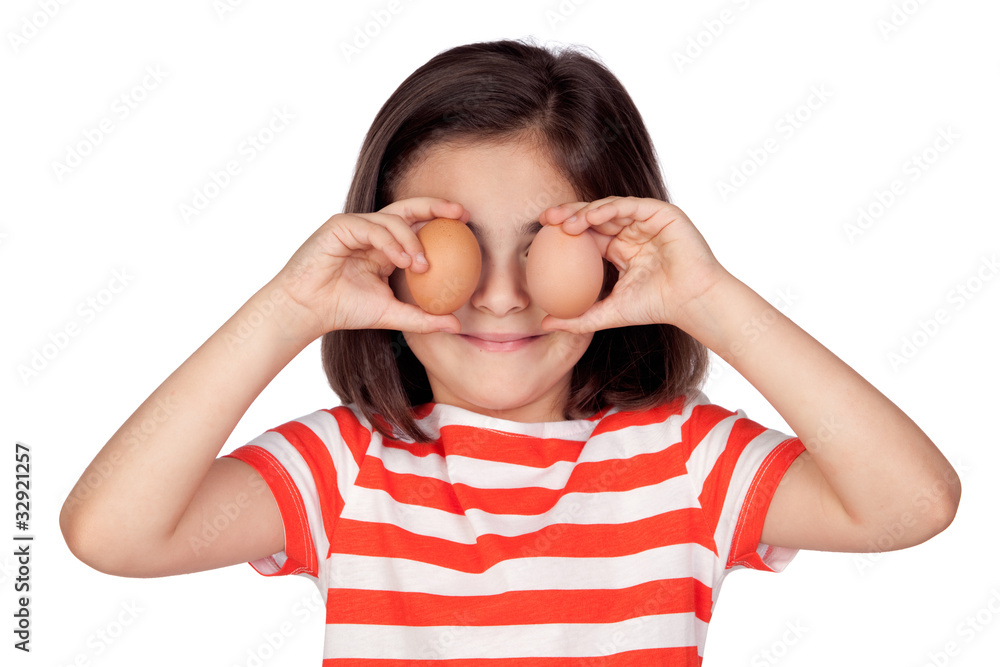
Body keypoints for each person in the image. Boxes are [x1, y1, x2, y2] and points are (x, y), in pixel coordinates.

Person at [60, 39, 961, 664]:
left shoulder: (684, 461)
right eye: (455, 247)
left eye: (544, 244)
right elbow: (111, 532)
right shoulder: (348, 467)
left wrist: (707, 299)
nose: (500, 292)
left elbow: (910, 503)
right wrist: (289, 307)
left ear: (613, 257)